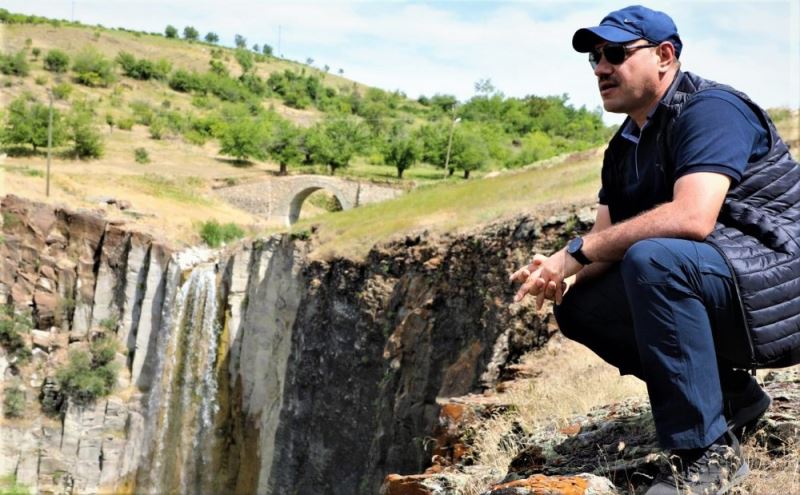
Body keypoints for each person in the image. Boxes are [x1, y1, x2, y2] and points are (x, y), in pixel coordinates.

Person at [510, 5, 800, 494]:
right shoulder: (623, 148)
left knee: (654, 260)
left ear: (664, 55)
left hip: (782, 284)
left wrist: (576, 251)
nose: (601, 68)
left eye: (615, 53)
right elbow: (603, 244)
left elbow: (691, 218)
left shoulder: (713, 109)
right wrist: (557, 271)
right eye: (595, 57)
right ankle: (735, 399)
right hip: (726, 285)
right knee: (580, 305)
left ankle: (705, 454)